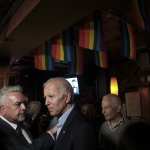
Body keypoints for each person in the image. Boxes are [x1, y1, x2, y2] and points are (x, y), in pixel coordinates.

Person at [43, 77, 97, 150]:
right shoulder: (58, 122)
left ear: (67, 98)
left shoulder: (82, 128)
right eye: (45, 98)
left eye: (51, 96)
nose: (46, 103)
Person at [0, 85, 54, 150]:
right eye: (18, 104)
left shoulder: (20, 124)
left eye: (24, 103)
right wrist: (50, 135)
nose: (24, 108)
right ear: (2, 109)